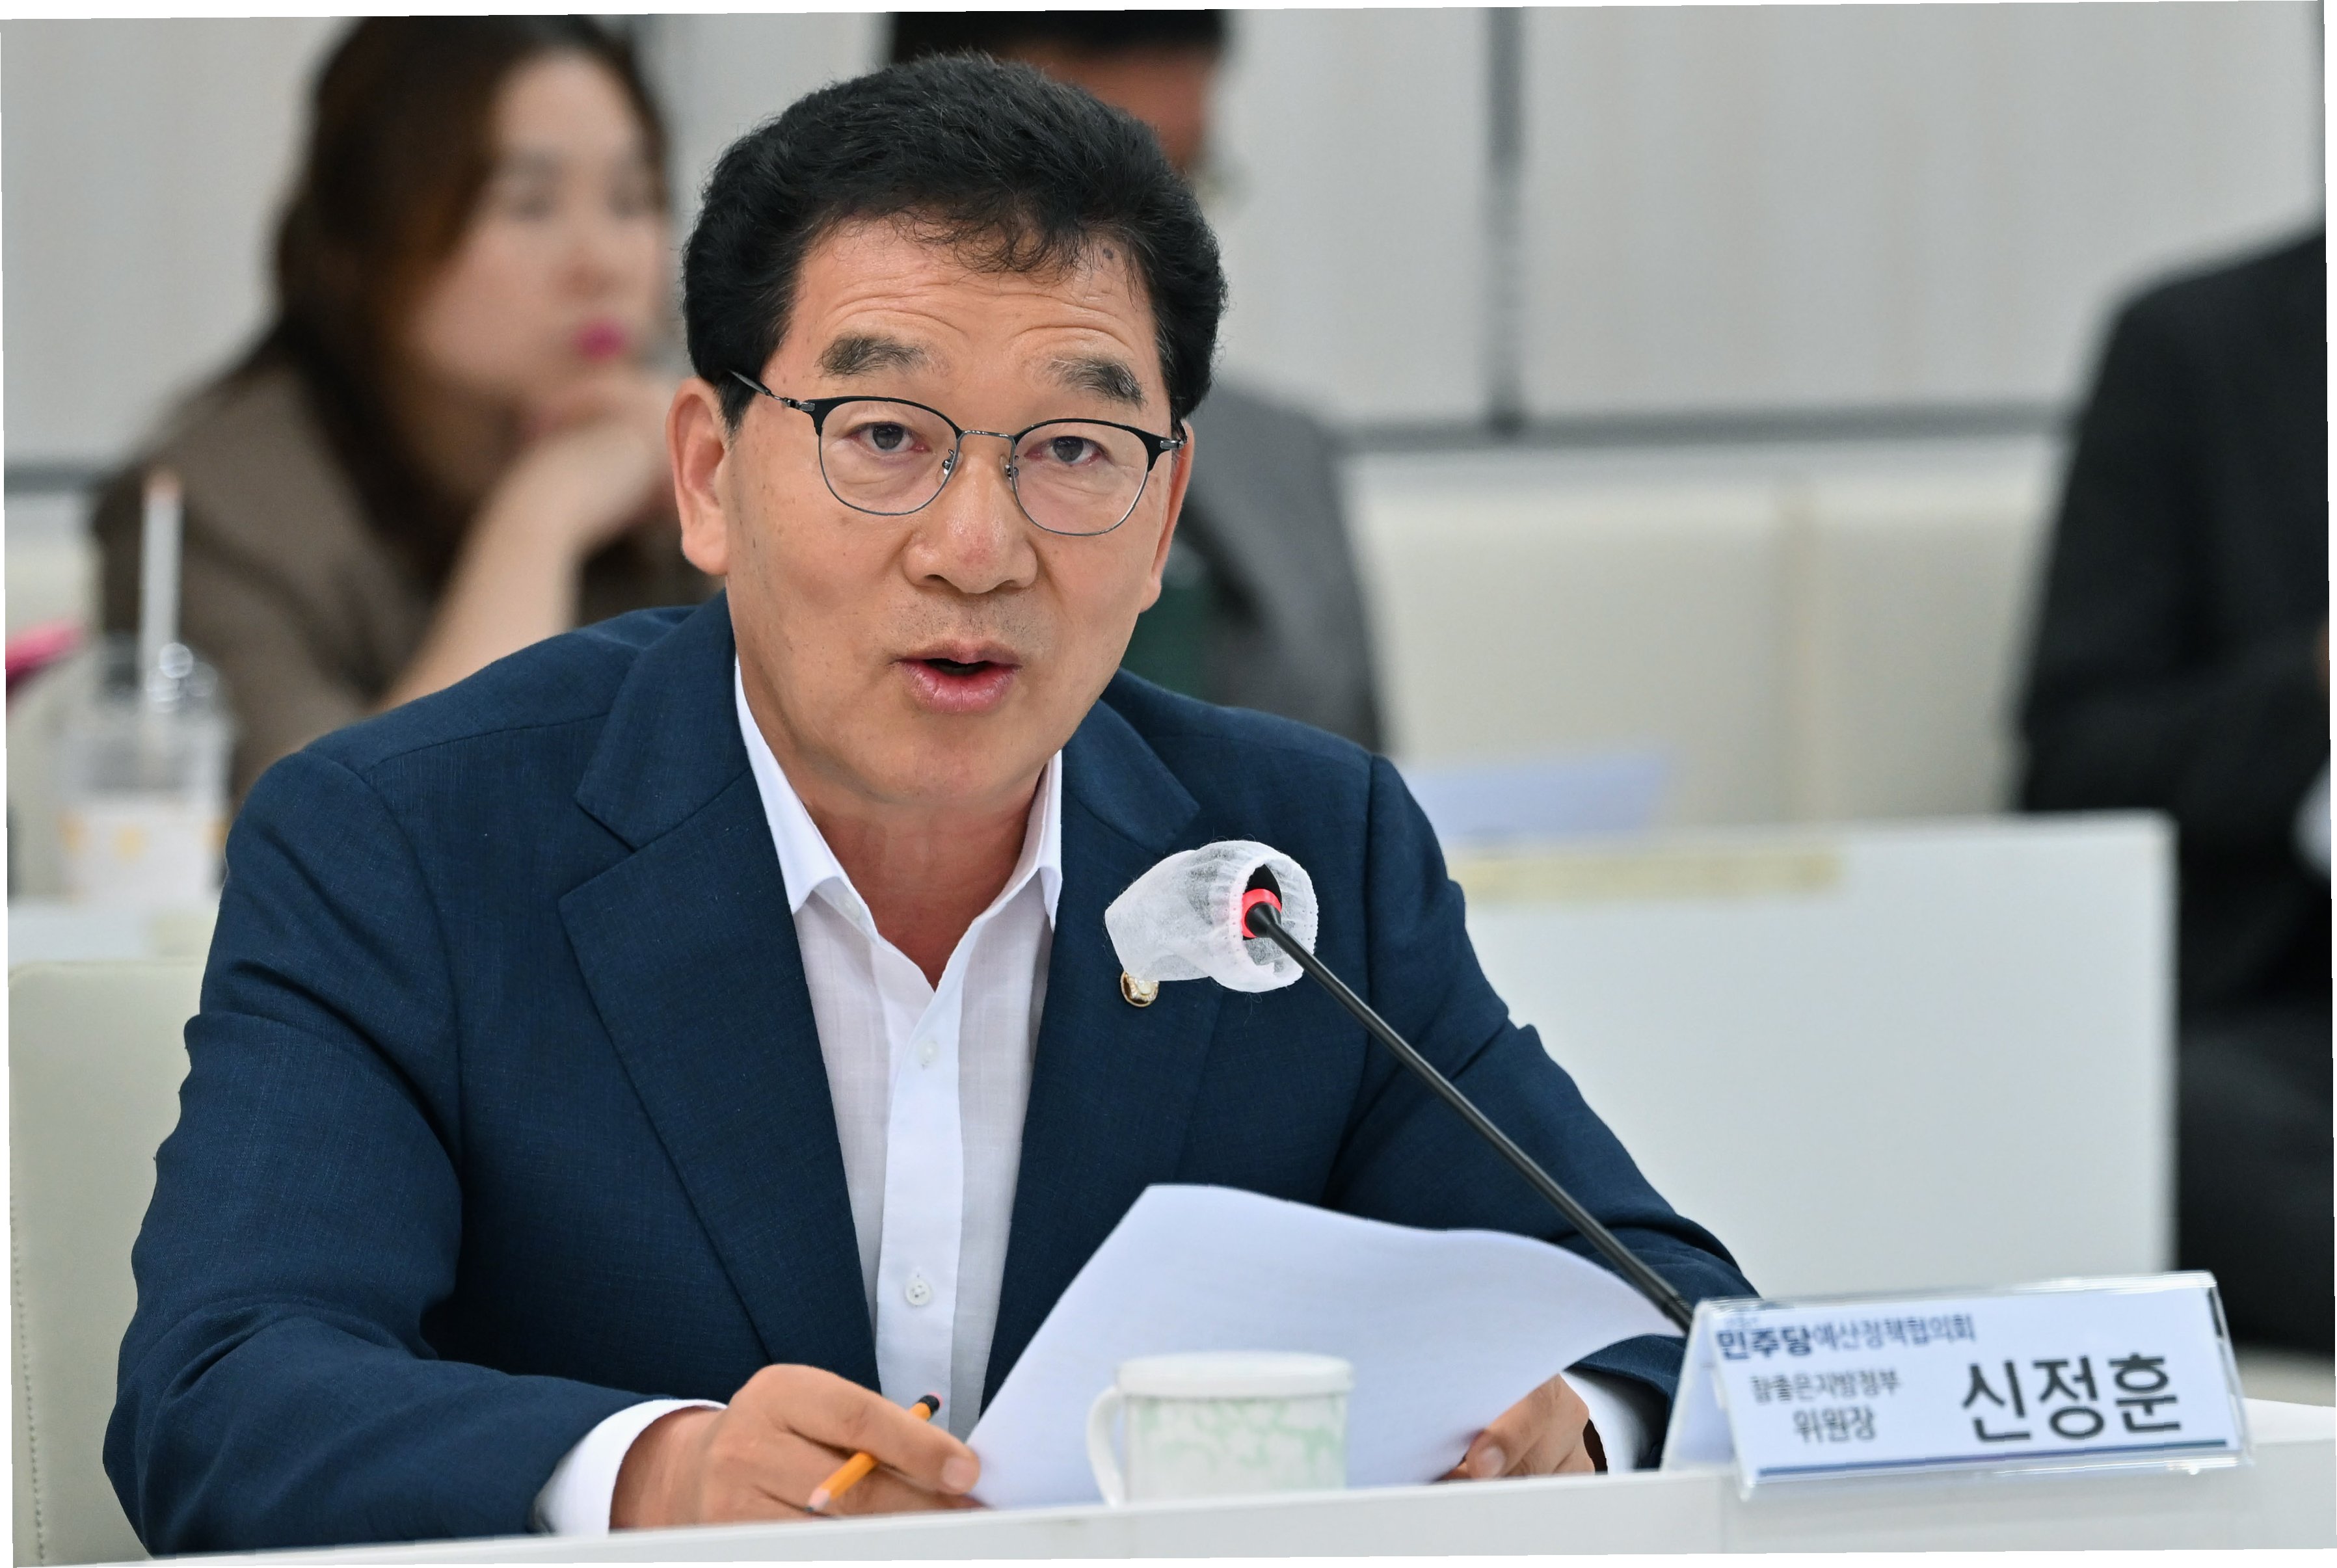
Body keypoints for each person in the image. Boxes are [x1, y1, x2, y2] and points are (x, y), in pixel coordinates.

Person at [107, 58, 1750, 1552]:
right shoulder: (404, 841)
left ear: (1163, 508)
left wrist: (1576, 1425)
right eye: (884, 434)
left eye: (1074, 449)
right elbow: (221, 1391)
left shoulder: (1298, 856)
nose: (978, 546)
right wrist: (656, 1474)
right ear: (708, 476)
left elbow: (1669, 1307)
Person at [91, 18, 709, 802]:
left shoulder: (682, 456)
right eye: (528, 204)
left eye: (631, 199)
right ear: (367, 235)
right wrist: (542, 517)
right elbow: (340, 839)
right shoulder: (214, 512)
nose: (602, 262)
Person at [890, 10, 1385, 748]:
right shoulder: (778, 458)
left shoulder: (1287, 457)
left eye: (1178, 188)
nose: (1140, 249)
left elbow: (1361, 787)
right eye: (1065, 198)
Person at [2018, 226, 2329, 1352]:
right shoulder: (2199, 347)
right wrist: (2313, 682)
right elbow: (2075, 764)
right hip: (2285, 1014)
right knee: (2176, 1129)